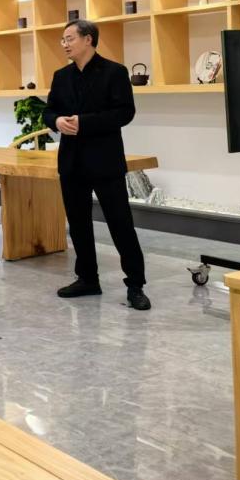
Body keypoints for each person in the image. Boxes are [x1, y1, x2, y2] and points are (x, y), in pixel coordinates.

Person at [43, 19, 151, 311]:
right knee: (78, 224)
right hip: (71, 162)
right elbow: (49, 111)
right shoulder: (61, 76)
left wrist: (84, 123)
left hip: (105, 161)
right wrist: (56, 121)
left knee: (120, 224)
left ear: (88, 39)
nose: (64, 44)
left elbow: (124, 113)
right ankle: (87, 278)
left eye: (69, 38)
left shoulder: (115, 72)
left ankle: (136, 285)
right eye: (63, 39)